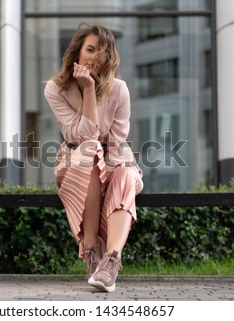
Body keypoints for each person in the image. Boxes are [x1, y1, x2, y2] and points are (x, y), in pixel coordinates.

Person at [44, 24, 144, 293]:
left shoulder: (119, 89)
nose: (93, 58)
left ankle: (111, 261)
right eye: (89, 49)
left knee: (124, 173)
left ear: (109, 59)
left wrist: (111, 169)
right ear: (77, 51)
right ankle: (90, 252)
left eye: (101, 53)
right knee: (89, 150)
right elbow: (83, 136)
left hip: (114, 162)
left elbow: (116, 141)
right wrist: (88, 89)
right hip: (75, 164)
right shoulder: (55, 89)